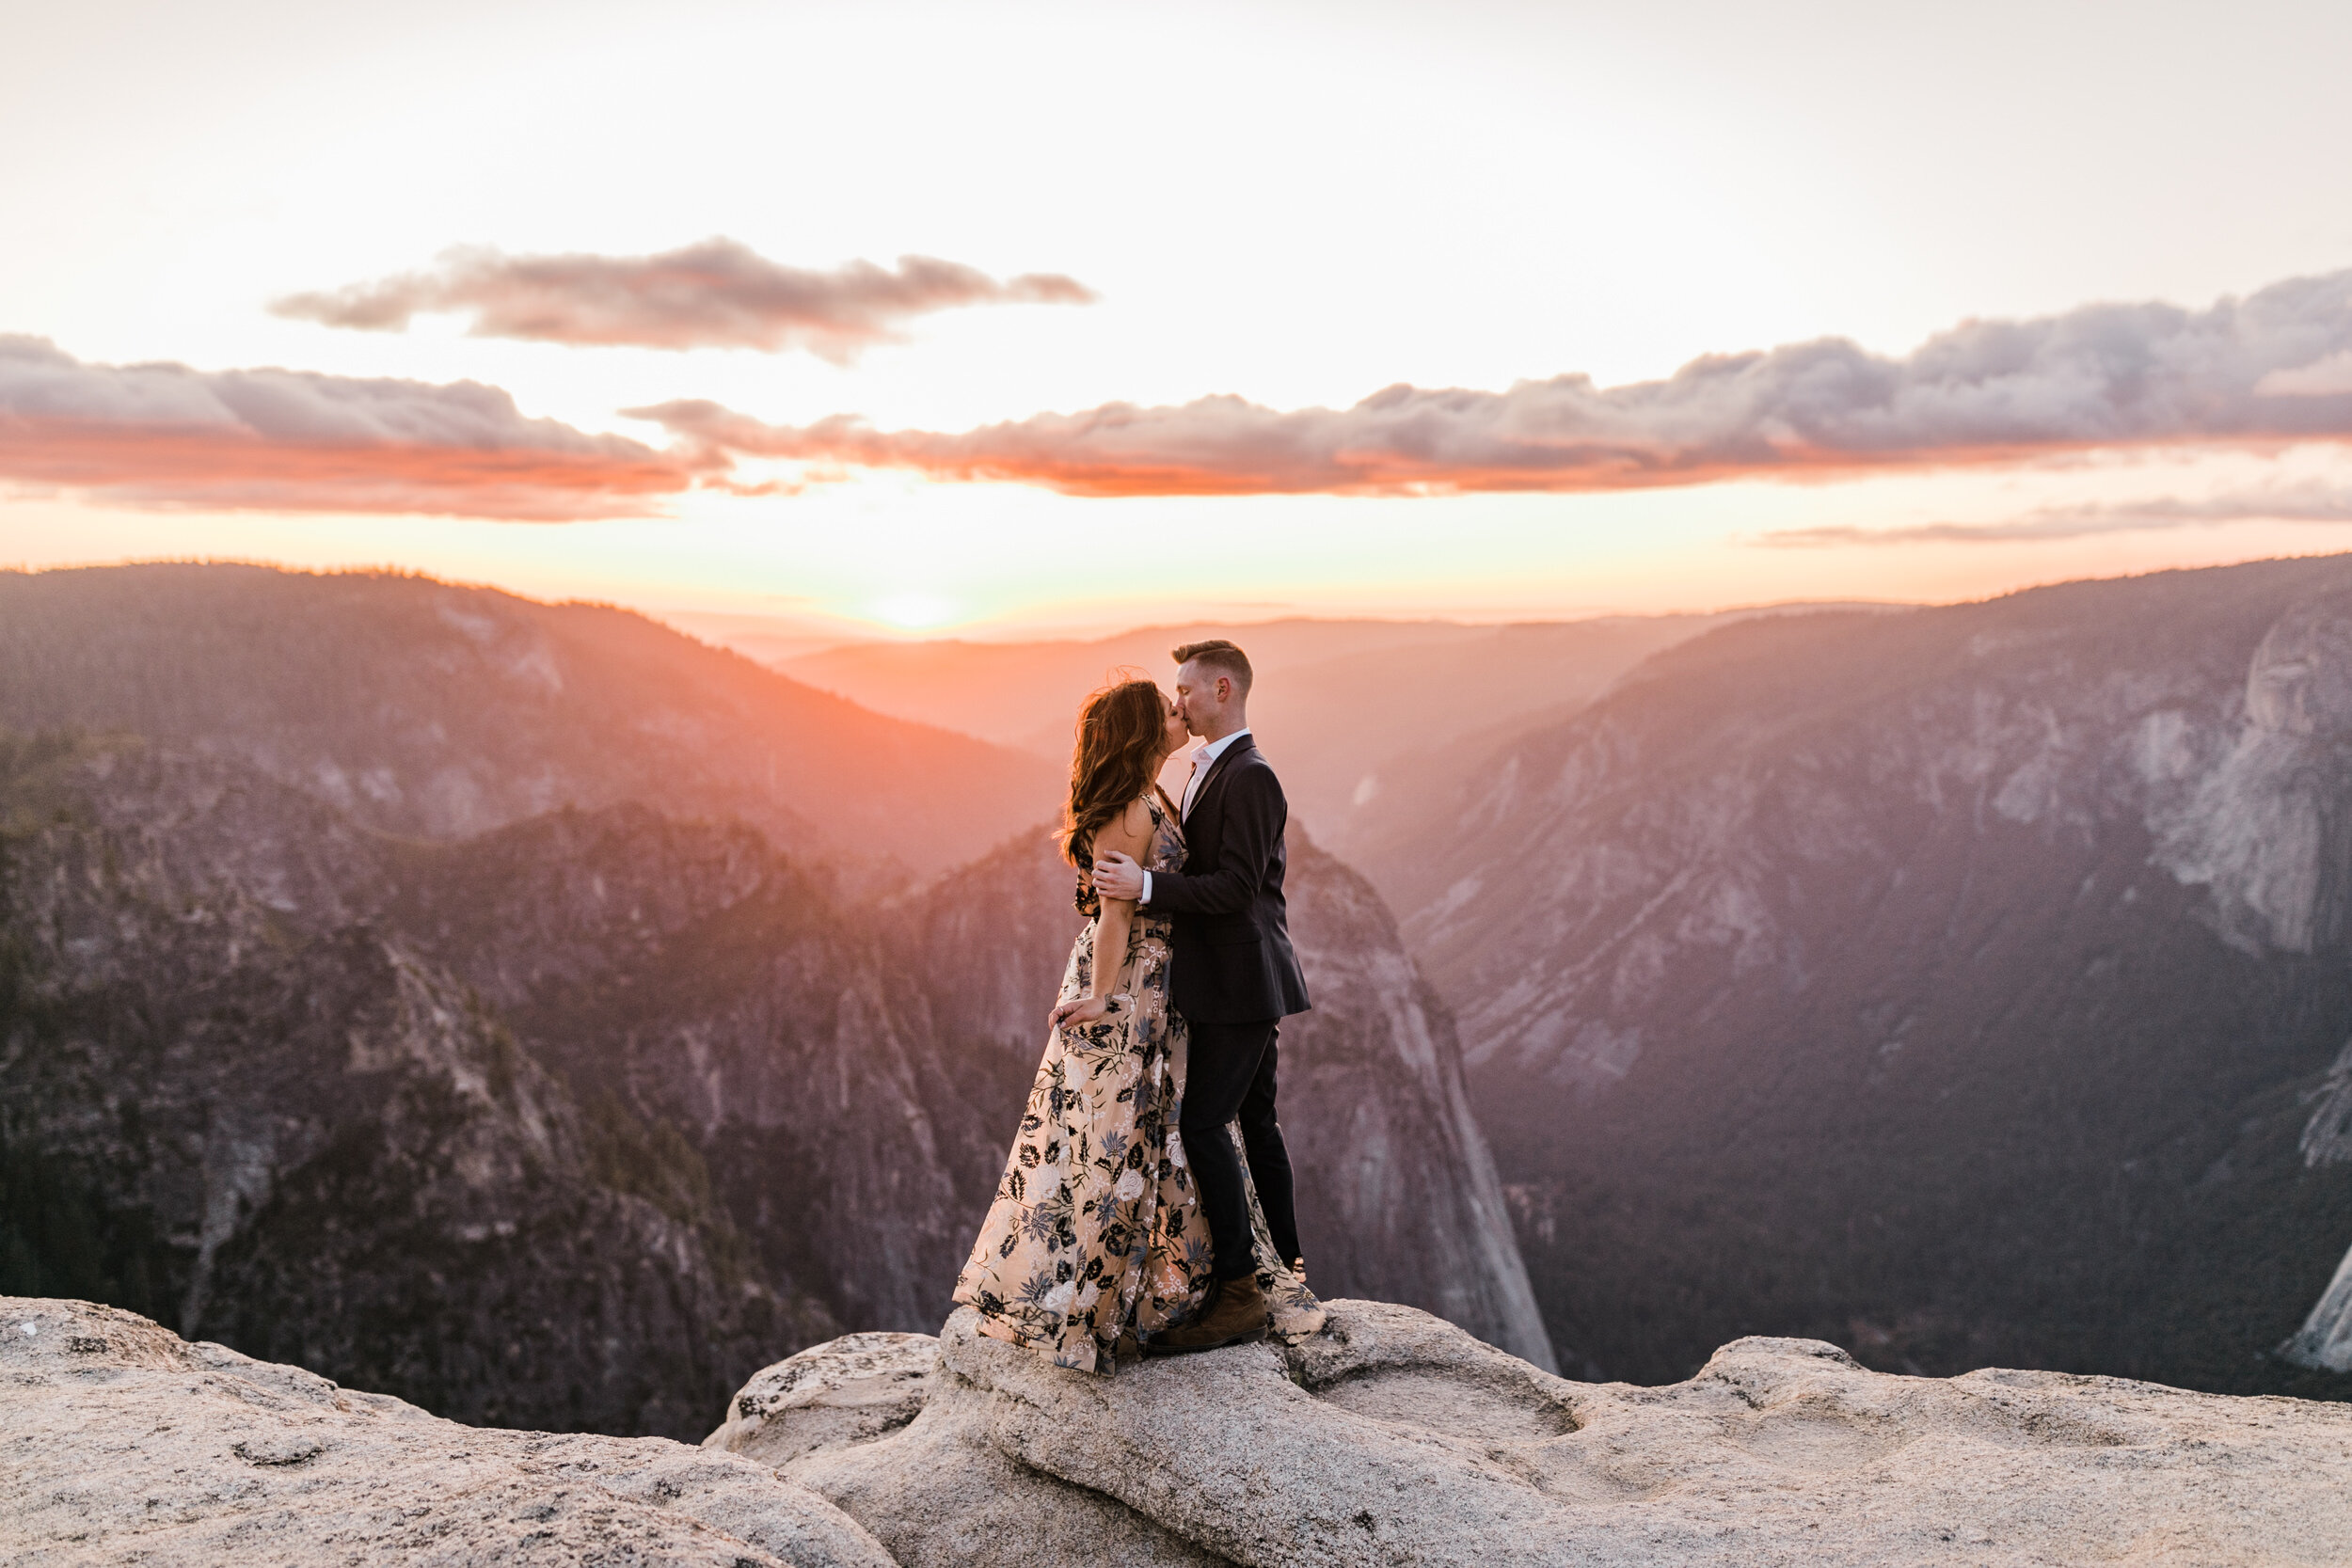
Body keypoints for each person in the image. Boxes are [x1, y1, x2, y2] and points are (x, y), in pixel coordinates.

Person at [950, 677, 1218, 1371]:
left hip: (1151, 983)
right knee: (1121, 1137)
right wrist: (1103, 998)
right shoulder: (1130, 811)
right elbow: (1114, 918)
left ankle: (1144, 1293)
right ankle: (1105, 1306)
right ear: (1142, 730)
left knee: (1146, 1135)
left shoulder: (1148, 796)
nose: (1177, 712)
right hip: (1132, 986)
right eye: (1165, 707)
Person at [1089, 639, 1312, 1354]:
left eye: (1184, 690)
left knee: (1203, 1124)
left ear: (1222, 688)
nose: (1175, 702)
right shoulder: (1203, 769)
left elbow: (1239, 887)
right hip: (1234, 977)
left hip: (1241, 981)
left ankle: (1242, 1291)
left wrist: (1146, 887)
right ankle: (1284, 1267)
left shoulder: (1250, 776)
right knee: (1256, 1120)